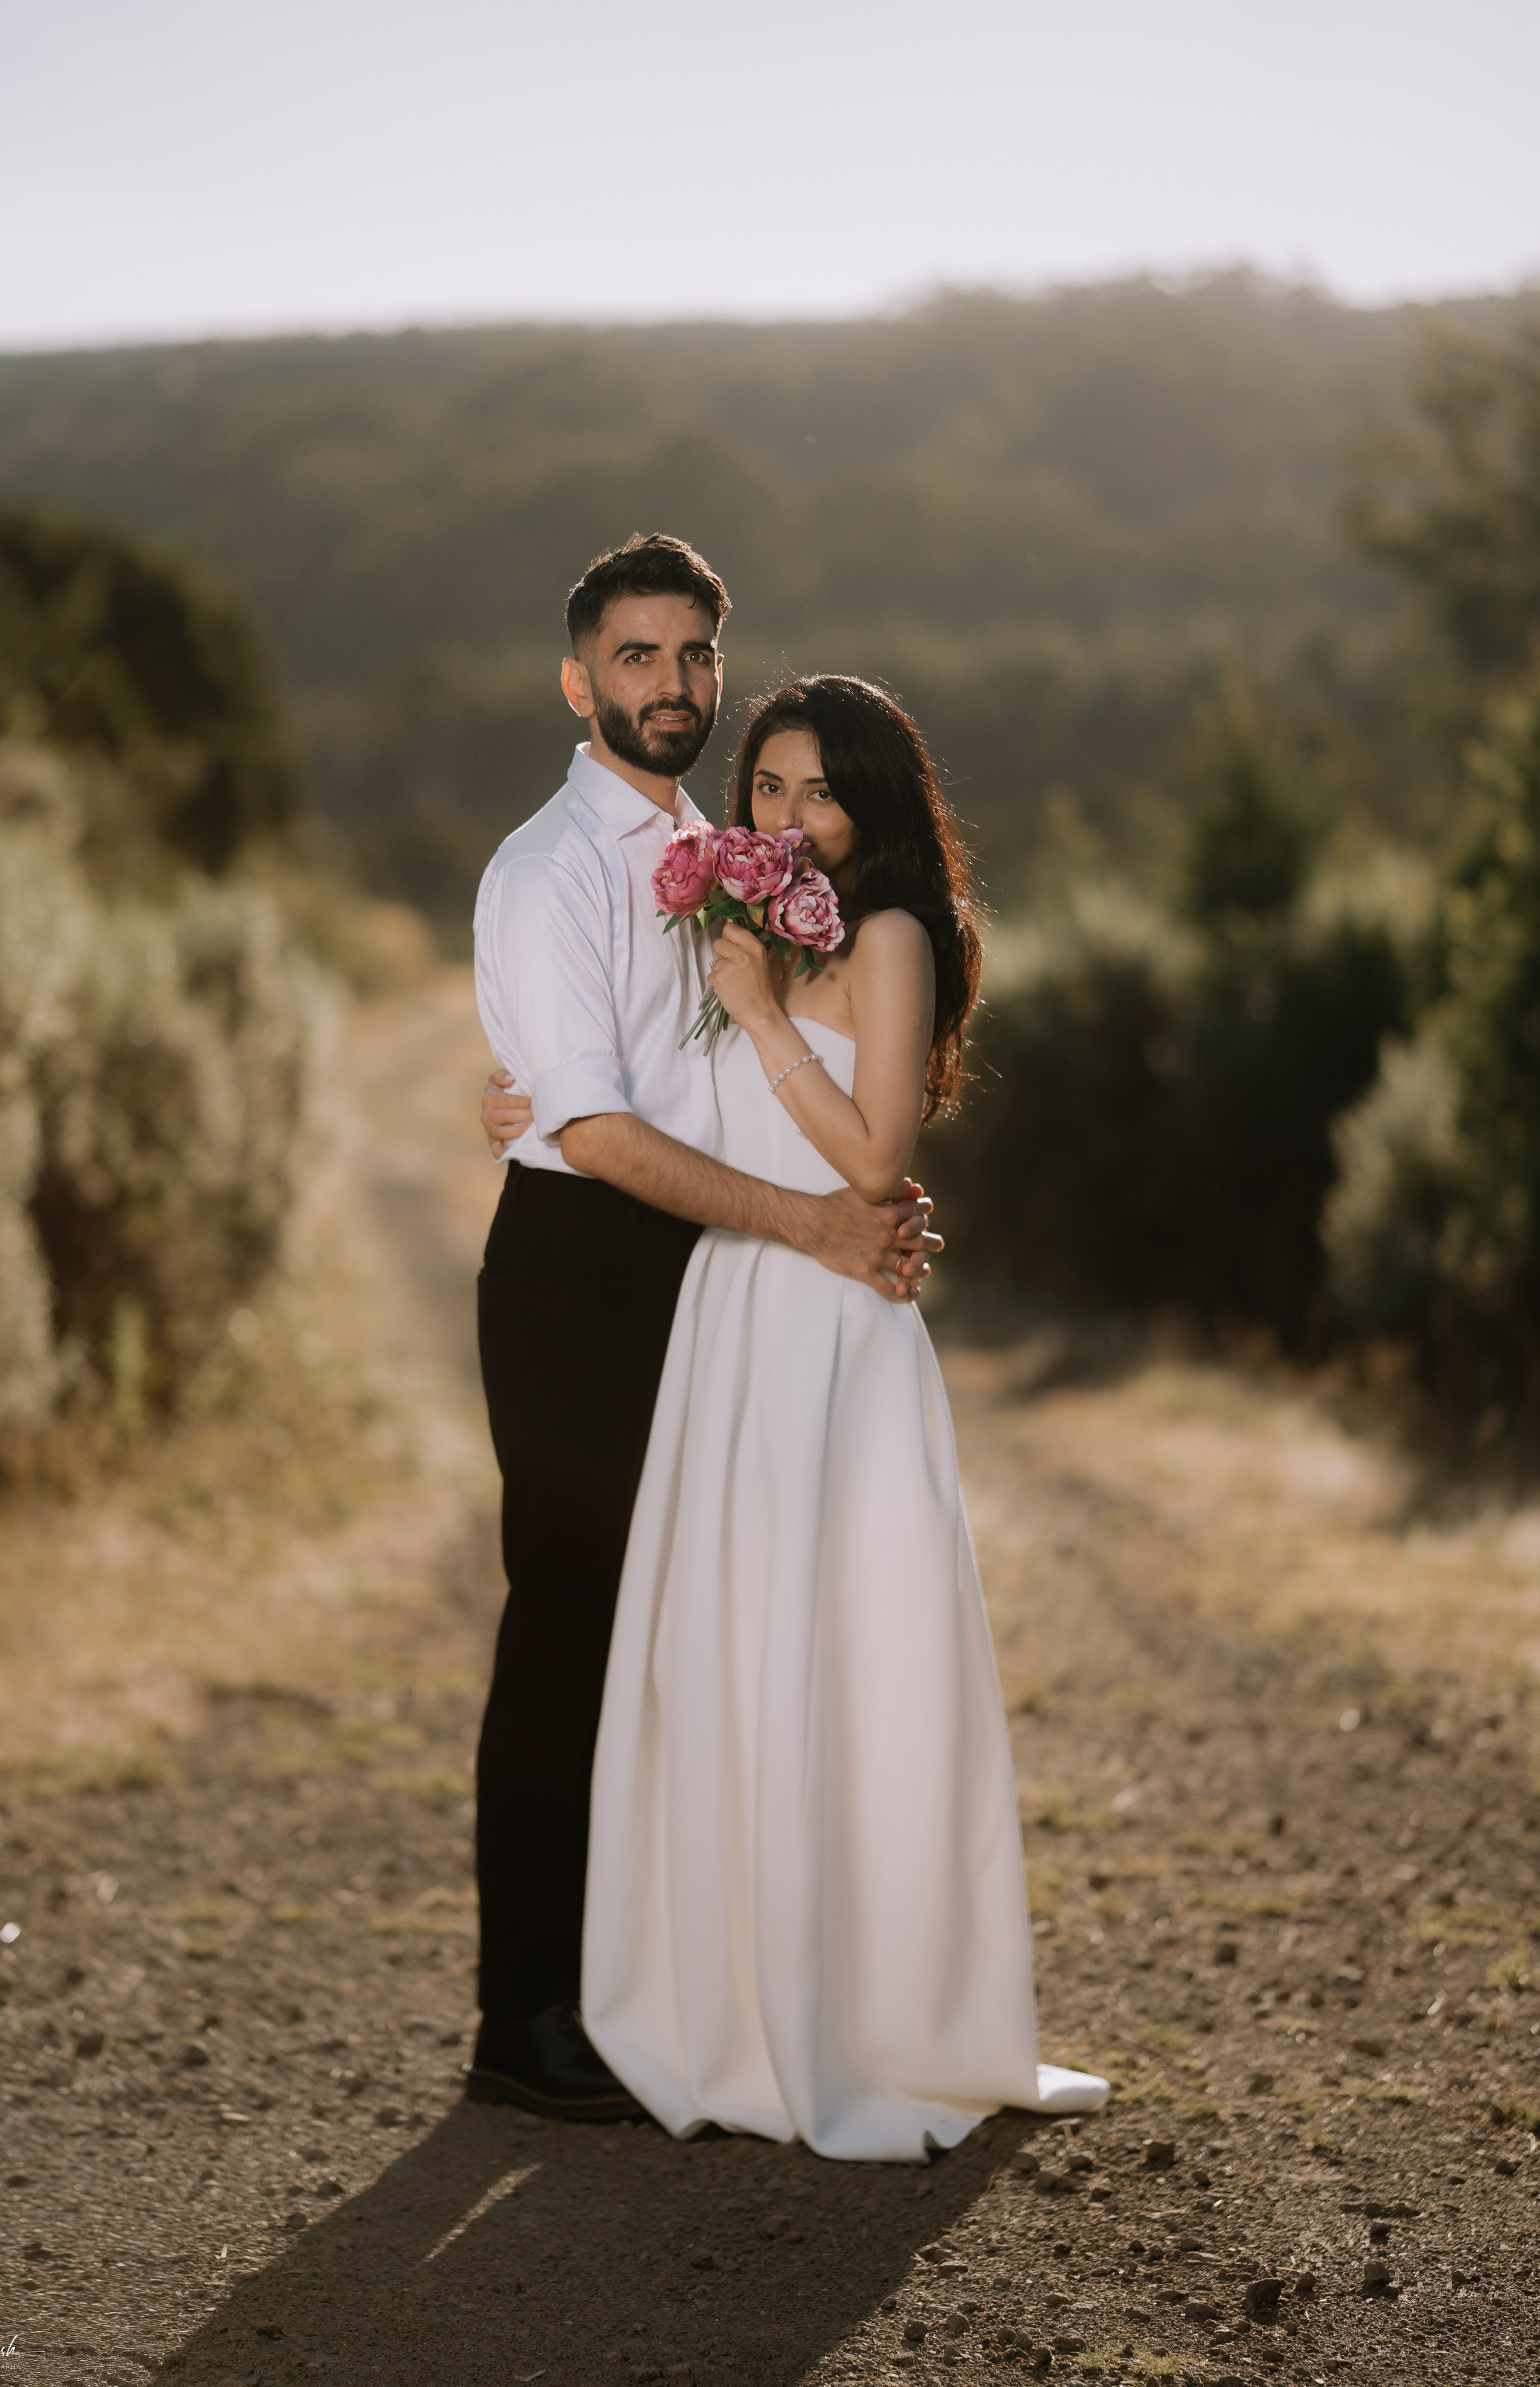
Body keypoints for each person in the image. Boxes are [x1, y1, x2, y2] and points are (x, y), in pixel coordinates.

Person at [503, 674, 1109, 2158]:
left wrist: (763, 1016)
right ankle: (719, 1999)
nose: (785, 817)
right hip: (730, 1323)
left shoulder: (892, 935)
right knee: (730, 1658)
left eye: (817, 791)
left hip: (832, 1328)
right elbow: (654, 1104)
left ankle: (859, 2015)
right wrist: (516, 1103)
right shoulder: (752, 930)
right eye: (765, 789)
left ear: (875, 804)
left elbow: (871, 1155)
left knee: (843, 1654)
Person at [467, 540, 937, 2121]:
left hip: (713, 1269)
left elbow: (794, 1057)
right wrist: (814, 1220)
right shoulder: (544, 869)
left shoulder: (731, 852)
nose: (666, 684)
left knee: (690, 1638)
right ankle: (523, 2016)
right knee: (572, 1629)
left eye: (690, 657)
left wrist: (853, 1190)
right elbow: (592, 1129)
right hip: (587, 1268)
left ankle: (661, 1986)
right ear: (576, 678)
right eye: (633, 656)